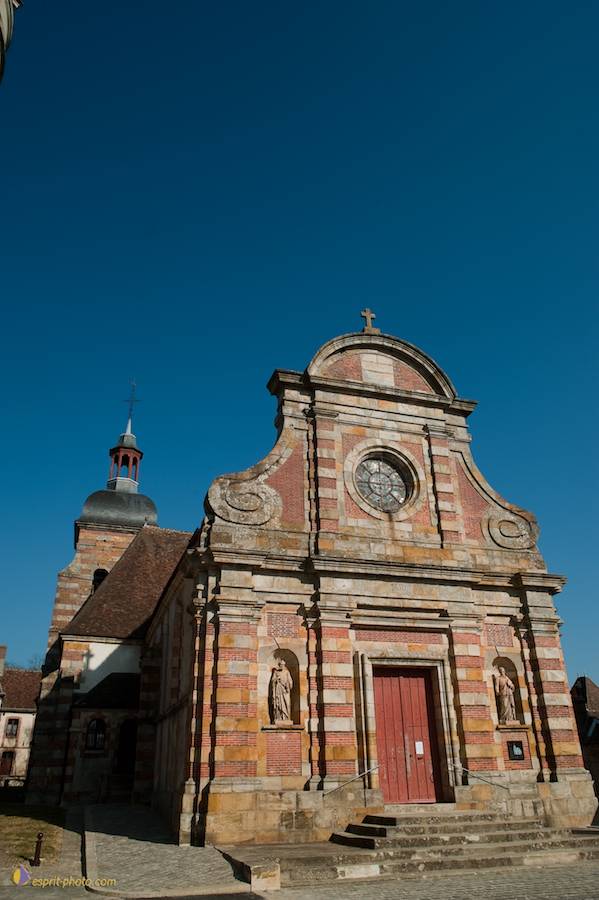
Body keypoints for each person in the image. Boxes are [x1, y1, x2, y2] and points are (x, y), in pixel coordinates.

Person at [271, 658, 293, 724]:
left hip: (285, 691)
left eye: (283, 665)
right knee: (279, 704)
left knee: (286, 703)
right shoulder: (276, 672)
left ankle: (286, 717)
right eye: (281, 665)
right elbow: (273, 681)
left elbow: (290, 681)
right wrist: (276, 679)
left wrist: (288, 685)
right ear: (279, 665)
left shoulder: (287, 672)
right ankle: (278, 717)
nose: (282, 666)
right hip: (278, 689)